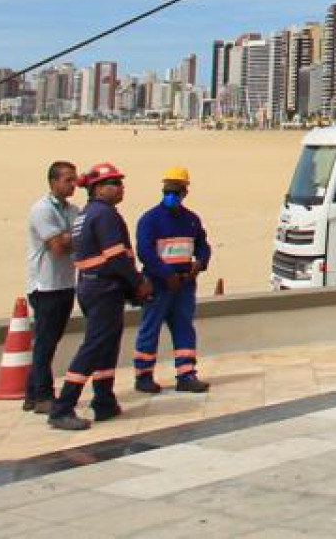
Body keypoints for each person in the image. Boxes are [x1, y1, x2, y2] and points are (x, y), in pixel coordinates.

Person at [48, 162, 150, 431]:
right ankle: (63, 407)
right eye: (114, 184)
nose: (120, 188)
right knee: (94, 346)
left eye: (120, 183)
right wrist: (137, 283)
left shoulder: (87, 214)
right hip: (104, 288)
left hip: (95, 287)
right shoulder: (104, 215)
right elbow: (115, 256)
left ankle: (104, 400)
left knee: (107, 345)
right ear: (97, 189)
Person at [132, 166, 212, 393]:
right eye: (169, 189)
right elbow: (145, 252)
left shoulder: (191, 219)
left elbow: (203, 246)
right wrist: (166, 275)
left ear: (185, 191)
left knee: (184, 328)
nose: (172, 194)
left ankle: (186, 375)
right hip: (159, 285)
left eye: (177, 190)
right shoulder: (150, 219)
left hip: (184, 285)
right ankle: (144, 376)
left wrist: (200, 263)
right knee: (150, 329)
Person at [23, 160, 79, 413]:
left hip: (66, 283)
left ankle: (32, 394)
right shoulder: (42, 210)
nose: (73, 184)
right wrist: (71, 237)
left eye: (74, 179)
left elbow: (82, 238)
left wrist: (70, 237)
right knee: (45, 343)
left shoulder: (73, 210)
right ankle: (43, 395)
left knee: (50, 341)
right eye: (67, 179)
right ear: (53, 182)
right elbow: (57, 247)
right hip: (45, 286)